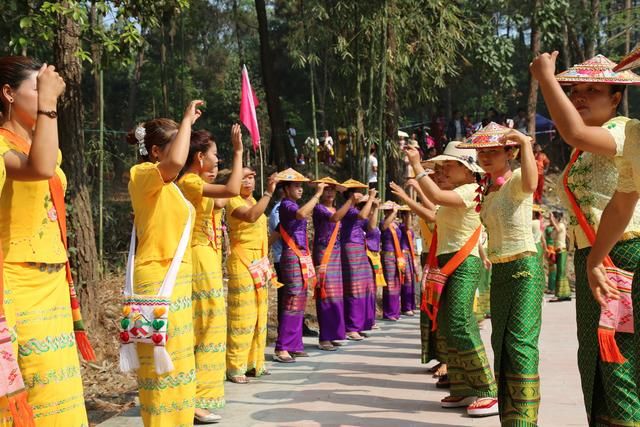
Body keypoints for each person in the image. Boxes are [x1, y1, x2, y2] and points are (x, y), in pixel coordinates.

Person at [531, 51, 640, 426]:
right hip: (598, 255)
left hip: (622, 253)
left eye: (593, 90)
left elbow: (572, 130)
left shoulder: (623, 130)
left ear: (615, 98)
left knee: (618, 359)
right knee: (597, 356)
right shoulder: (587, 149)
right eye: (575, 90)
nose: (580, 97)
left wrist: (547, 78)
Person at [0, 57, 91, 426]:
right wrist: (49, 104)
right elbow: (40, 169)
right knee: (25, 393)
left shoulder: (42, 143)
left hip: (52, 283)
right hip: (16, 284)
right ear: (7, 93)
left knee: (59, 393)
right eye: (36, 88)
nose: (45, 96)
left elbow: (46, 160)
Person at [457, 122, 542, 424]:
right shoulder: (488, 191)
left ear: (510, 152)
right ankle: (511, 418)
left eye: (493, 151)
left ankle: (523, 420)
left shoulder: (517, 178)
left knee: (519, 344)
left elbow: (532, 183)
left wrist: (526, 144)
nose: (485, 157)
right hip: (501, 271)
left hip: (523, 269)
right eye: (481, 152)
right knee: (501, 345)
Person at [124, 100, 203, 426]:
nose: (183, 155)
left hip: (178, 280)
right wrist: (186, 119)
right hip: (157, 278)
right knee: (159, 366)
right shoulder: (142, 175)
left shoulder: (173, 188)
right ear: (156, 151)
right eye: (176, 146)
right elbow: (172, 164)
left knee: (180, 364)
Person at [406, 141, 499, 416]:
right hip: (445, 261)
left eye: (449, 166)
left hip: (462, 262)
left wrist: (415, 166)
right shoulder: (456, 192)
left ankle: (486, 388)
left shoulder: (472, 190)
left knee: (459, 321)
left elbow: (434, 198)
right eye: (442, 166)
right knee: (446, 325)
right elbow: (434, 204)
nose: (443, 170)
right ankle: (462, 386)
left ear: (470, 170)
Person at [176, 126, 243, 422]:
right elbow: (231, 191)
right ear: (200, 157)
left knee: (210, 323)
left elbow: (222, 200)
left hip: (208, 256)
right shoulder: (189, 180)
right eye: (215, 155)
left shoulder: (196, 181)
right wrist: (239, 152)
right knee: (203, 324)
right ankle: (193, 399)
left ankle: (200, 395)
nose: (218, 160)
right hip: (197, 255)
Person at [226, 168, 278, 381]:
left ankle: (254, 363)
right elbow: (251, 216)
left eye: (251, 177)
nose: (248, 181)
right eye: (243, 177)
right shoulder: (232, 201)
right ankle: (235, 366)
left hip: (259, 261)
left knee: (258, 314)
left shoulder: (253, 199)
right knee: (242, 316)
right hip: (242, 260)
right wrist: (269, 193)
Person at [274, 169, 326, 363]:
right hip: (292, 256)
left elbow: (279, 230)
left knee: (300, 299)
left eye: (300, 186)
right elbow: (302, 213)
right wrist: (318, 195)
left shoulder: (291, 205)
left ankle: (294, 343)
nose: (300, 189)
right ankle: (282, 347)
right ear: (286, 189)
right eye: (296, 186)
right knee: (292, 299)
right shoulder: (287, 205)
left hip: (301, 257)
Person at [312, 177, 352, 351]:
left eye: (332, 190)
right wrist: (351, 200)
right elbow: (335, 218)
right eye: (326, 189)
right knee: (326, 294)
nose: (329, 193)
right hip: (324, 254)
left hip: (335, 253)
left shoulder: (336, 208)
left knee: (336, 295)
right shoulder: (319, 208)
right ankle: (324, 337)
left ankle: (334, 333)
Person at [340, 181, 377, 340]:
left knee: (365, 286)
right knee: (354, 287)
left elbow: (371, 227)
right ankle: (351, 327)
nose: (362, 194)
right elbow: (362, 216)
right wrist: (371, 199)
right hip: (350, 247)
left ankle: (360, 324)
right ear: (351, 194)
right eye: (359, 192)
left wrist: (375, 207)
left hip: (360, 248)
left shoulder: (355, 209)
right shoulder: (347, 209)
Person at [380, 202, 403, 321]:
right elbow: (384, 227)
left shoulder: (397, 224)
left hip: (397, 256)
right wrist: (394, 212)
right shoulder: (384, 223)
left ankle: (395, 311)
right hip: (388, 255)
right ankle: (388, 312)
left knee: (396, 283)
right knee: (389, 285)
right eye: (388, 211)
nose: (390, 213)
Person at [398, 207, 418, 316]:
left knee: (411, 281)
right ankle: (406, 306)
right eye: (409, 216)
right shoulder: (401, 227)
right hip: (403, 255)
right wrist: (408, 213)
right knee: (406, 280)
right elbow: (408, 225)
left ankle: (411, 305)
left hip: (409, 255)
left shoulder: (409, 229)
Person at [549, 211, 571, 302]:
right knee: (561, 272)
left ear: (556, 218)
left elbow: (559, 230)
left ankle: (559, 294)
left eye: (553, 218)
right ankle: (565, 294)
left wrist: (552, 219)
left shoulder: (561, 225)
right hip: (557, 251)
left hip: (561, 251)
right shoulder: (555, 228)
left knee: (560, 273)